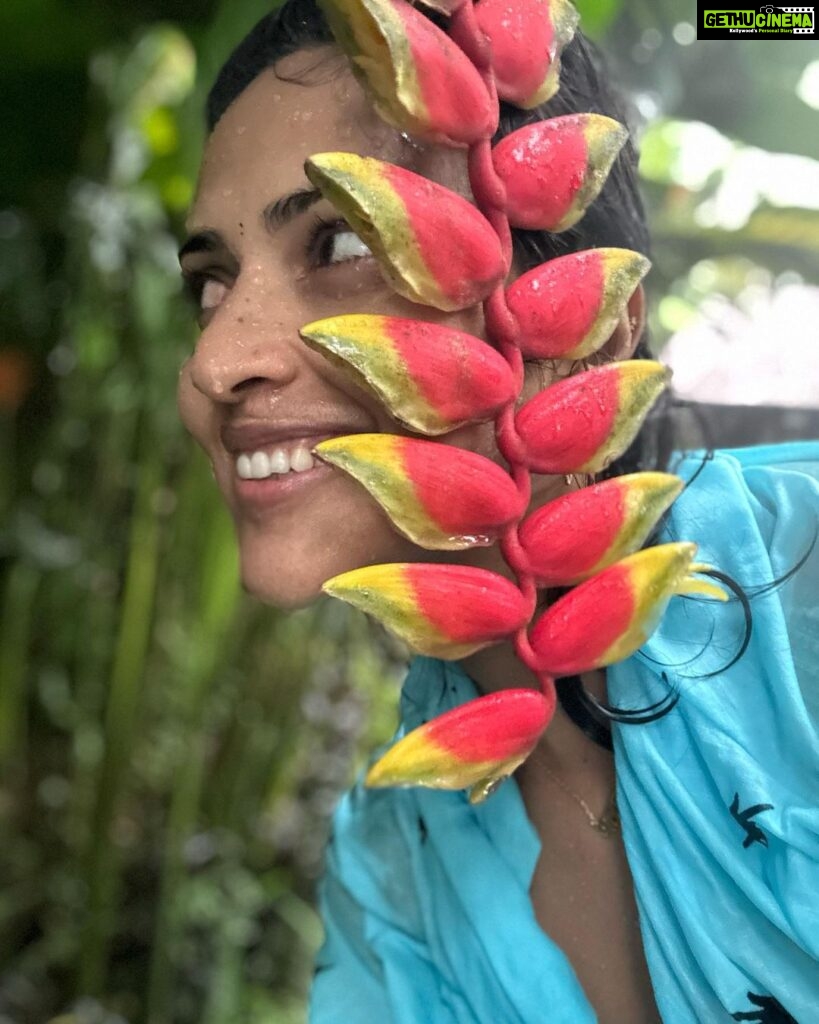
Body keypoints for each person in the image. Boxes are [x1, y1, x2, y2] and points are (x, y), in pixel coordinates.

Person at [176, 1, 819, 1021]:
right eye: (208, 286)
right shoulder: (396, 867)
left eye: (341, 237)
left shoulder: (803, 583)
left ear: (597, 331)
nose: (215, 362)